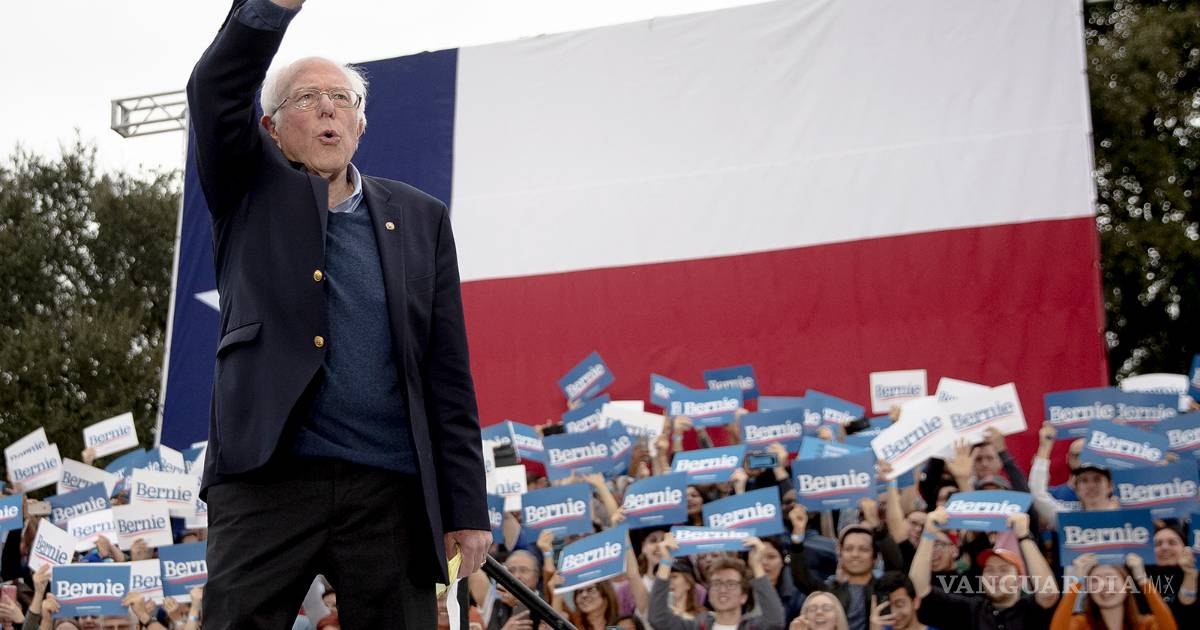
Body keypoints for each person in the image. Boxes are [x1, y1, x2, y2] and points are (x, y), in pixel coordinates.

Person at [186, 0, 490, 627]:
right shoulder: (246, 187)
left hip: (390, 487)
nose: (327, 108)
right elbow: (215, 89)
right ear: (271, 128)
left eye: (341, 98)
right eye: (306, 98)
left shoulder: (421, 217)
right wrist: (270, 10)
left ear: (360, 123)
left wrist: (466, 508)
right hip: (267, 478)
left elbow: (446, 372)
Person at [909, 508, 1058, 630]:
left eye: (1004, 570)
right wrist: (929, 533)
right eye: (989, 570)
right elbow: (918, 588)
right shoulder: (970, 610)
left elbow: (1049, 593)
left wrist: (1024, 536)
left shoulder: (1030, 610)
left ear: (1019, 580)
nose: (996, 576)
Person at [787, 503, 904, 630]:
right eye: (849, 549)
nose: (855, 554)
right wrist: (797, 536)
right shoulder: (831, 591)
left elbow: (895, 565)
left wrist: (877, 526)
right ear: (840, 554)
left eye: (863, 549)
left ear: (875, 557)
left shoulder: (884, 587)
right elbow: (801, 577)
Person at [649, 535, 786, 630]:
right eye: (716, 583)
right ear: (709, 594)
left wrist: (756, 565)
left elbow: (775, 621)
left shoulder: (753, 627)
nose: (722, 589)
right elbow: (658, 618)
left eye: (731, 584)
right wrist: (665, 561)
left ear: (743, 596)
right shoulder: (696, 627)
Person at [1051, 552, 1177, 630]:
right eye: (1095, 580)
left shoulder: (1146, 624)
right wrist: (1077, 582)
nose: (1103, 585)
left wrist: (1143, 580)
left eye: (1110, 578)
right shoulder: (1080, 624)